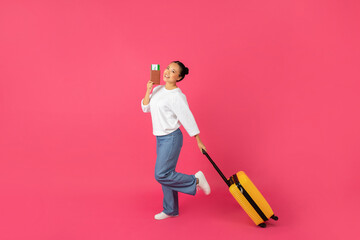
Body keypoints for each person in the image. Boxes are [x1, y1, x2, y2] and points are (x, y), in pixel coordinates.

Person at [141, 61, 211, 220]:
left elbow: (187, 118)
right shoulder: (158, 89)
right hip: (160, 137)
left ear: (178, 77)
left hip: (171, 138)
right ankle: (170, 209)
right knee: (167, 173)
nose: (167, 72)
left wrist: (198, 140)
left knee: (161, 174)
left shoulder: (177, 96)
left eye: (173, 71)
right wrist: (148, 90)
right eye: (167, 68)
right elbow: (145, 107)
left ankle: (196, 179)